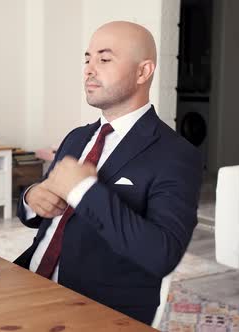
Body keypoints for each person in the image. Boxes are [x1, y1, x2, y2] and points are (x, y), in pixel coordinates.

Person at [14, 21, 203, 325]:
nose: (89, 69)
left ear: (143, 72)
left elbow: (161, 254)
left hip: (94, 312)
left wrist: (84, 191)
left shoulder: (176, 155)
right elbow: (34, 215)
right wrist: (31, 198)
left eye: (103, 59)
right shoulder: (76, 137)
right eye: (87, 59)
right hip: (26, 282)